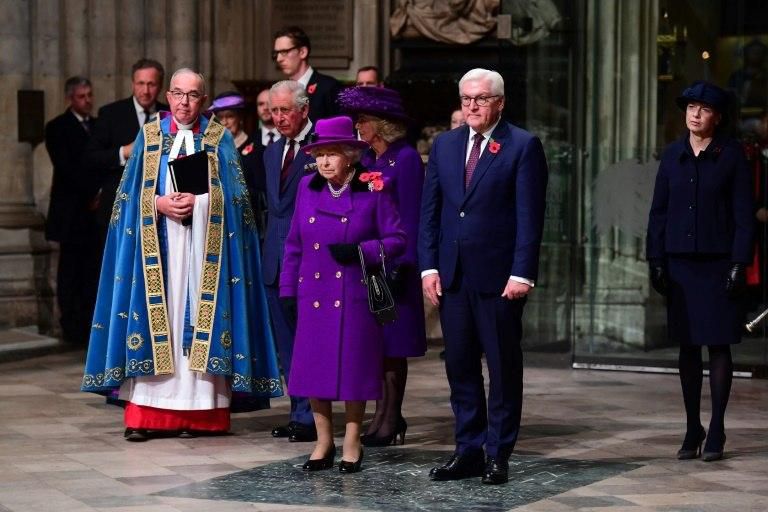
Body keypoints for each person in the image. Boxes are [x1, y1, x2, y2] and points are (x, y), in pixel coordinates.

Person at [81, 68, 282, 441]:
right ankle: (146, 417)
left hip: (204, 252)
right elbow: (123, 200)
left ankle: (202, 416)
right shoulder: (149, 136)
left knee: (197, 327)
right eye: (177, 94)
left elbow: (241, 204)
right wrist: (156, 202)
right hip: (157, 251)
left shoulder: (219, 140)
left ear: (203, 101)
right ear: (168, 97)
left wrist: (202, 203)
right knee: (161, 323)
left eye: (193, 95)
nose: (184, 102)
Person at [418, 68, 548, 485]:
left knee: (503, 369)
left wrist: (522, 273)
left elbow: (531, 218)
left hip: (500, 280)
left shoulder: (523, 146)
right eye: (467, 98)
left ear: (500, 102)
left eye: (482, 98)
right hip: (453, 276)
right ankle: (468, 450)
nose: (472, 105)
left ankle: (498, 454)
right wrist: (430, 266)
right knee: (459, 367)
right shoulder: (446, 145)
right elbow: (431, 211)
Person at [280, 116, 406, 473]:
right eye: (319, 154)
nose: (324, 162)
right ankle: (323, 441)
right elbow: (293, 244)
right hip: (312, 293)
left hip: (354, 295)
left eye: (332, 154)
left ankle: (351, 441)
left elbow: (398, 240)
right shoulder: (307, 187)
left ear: (350, 155)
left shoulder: (374, 188)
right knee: (312, 370)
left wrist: (362, 252)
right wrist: (289, 289)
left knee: (354, 371)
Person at [647, 80, 754, 462]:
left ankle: (718, 428)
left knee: (719, 344)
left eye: (703, 108)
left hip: (719, 264)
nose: (694, 113)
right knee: (688, 346)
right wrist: (656, 260)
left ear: (717, 116)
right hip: (680, 264)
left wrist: (740, 263)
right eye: (690, 107)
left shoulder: (732, 156)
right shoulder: (673, 155)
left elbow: (745, 218)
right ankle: (693, 426)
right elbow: (658, 213)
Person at [338, 86, 426, 446]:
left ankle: (391, 417)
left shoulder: (405, 159)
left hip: (396, 266)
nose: (358, 126)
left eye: (364, 120)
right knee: (376, 346)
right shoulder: (370, 161)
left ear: (382, 124)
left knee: (394, 345)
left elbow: (411, 214)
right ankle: (382, 416)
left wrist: (403, 262)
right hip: (369, 265)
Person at [262, 80, 318, 443]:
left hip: (309, 260)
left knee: (310, 340)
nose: (278, 118)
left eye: (285, 110)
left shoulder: (322, 149)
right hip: (273, 261)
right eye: (273, 111)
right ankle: (298, 411)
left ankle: (312, 415)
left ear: (304, 110)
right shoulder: (270, 152)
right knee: (286, 344)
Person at [84, 59, 168, 248]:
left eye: (151, 84)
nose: (145, 90)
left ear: (160, 85)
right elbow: (91, 157)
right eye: (141, 83)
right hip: (118, 205)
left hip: (160, 206)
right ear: (133, 83)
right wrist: (124, 152)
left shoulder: (169, 114)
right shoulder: (111, 113)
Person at [44, 76, 100, 347]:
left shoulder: (98, 125)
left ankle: (90, 325)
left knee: (92, 272)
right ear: (70, 98)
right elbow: (67, 168)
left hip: (95, 213)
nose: (87, 101)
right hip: (71, 213)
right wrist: (91, 193)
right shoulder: (57, 127)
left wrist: (100, 195)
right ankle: (71, 327)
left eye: (89, 95)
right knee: (70, 272)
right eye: (81, 96)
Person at [207, 91, 267, 236]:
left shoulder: (258, 149)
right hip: (219, 224)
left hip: (248, 224)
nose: (225, 122)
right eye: (220, 118)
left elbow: (263, 194)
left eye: (230, 116)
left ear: (240, 117)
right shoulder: (212, 150)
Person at [272, 26, 342, 121]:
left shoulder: (328, 87)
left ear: (302, 52)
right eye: (277, 53)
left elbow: (340, 130)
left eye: (284, 52)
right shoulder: (279, 91)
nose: (279, 59)